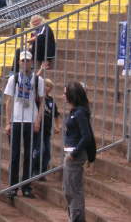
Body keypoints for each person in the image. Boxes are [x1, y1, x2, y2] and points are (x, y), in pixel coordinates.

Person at [4, 50, 45, 199]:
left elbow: (41, 102)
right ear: (19, 62)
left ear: (32, 62)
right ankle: (13, 186)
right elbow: (8, 102)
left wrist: (38, 120)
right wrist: (7, 122)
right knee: (14, 155)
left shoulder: (38, 80)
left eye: (28, 60)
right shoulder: (13, 79)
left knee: (29, 155)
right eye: (23, 61)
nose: (25, 63)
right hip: (16, 120)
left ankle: (26, 186)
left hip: (30, 119)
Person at [63, 81, 95, 222]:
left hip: (75, 156)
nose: (63, 95)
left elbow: (87, 136)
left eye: (65, 93)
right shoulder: (76, 111)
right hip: (71, 154)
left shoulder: (80, 112)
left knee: (74, 191)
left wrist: (73, 154)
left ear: (72, 95)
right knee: (69, 190)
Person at [32, 77, 61, 179]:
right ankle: (34, 169)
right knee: (40, 149)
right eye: (45, 85)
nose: (46, 88)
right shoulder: (37, 98)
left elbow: (56, 114)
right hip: (38, 127)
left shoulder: (51, 100)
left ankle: (42, 172)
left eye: (49, 86)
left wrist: (57, 126)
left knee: (47, 151)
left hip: (47, 129)